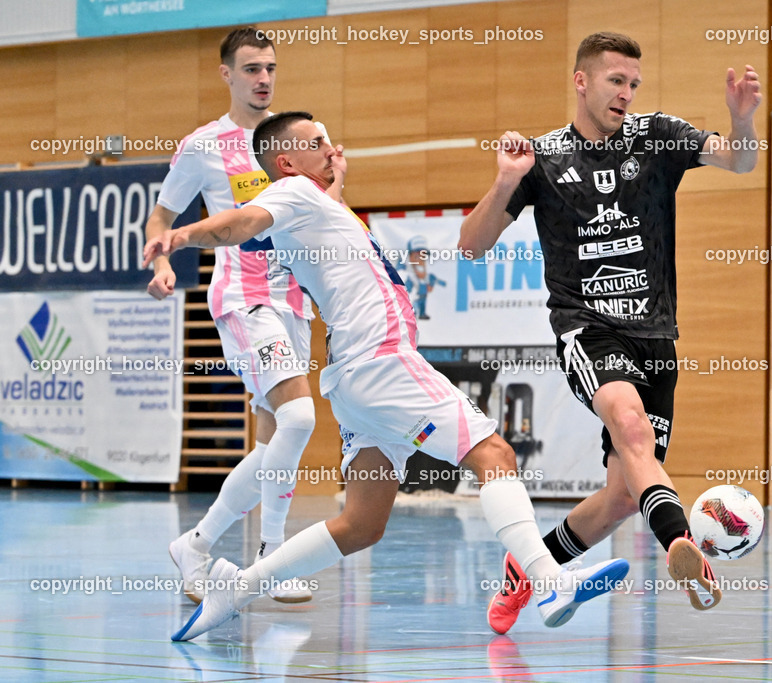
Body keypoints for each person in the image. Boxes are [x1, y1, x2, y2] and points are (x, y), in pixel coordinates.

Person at [143, 111, 630, 642]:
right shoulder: (292, 195)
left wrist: (337, 178)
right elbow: (240, 223)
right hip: (383, 362)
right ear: (286, 162)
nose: (333, 148)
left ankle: (237, 589)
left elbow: (322, 224)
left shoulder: (317, 207)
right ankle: (548, 579)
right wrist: (181, 235)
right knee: (494, 455)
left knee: (361, 525)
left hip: (356, 381)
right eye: (318, 143)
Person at [458, 31, 761, 634]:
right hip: (587, 326)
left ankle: (525, 572)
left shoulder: (657, 138)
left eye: (633, 84)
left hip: (657, 336)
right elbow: (470, 247)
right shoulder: (541, 159)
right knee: (630, 424)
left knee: (623, 494)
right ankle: (681, 543)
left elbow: (741, 159)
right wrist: (503, 182)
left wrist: (740, 119)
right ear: (582, 81)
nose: (626, 93)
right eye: (615, 81)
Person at [145, 27, 344, 605]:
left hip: (292, 303)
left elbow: (325, 210)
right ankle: (271, 559)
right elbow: (163, 216)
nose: (263, 79)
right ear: (227, 74)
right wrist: (164, 264)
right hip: (242, 300)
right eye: (252, 68)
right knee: (301, 419)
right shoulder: (204, 145)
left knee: (274, 442)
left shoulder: (298, 135)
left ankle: (200, 546)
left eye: (271, 68)